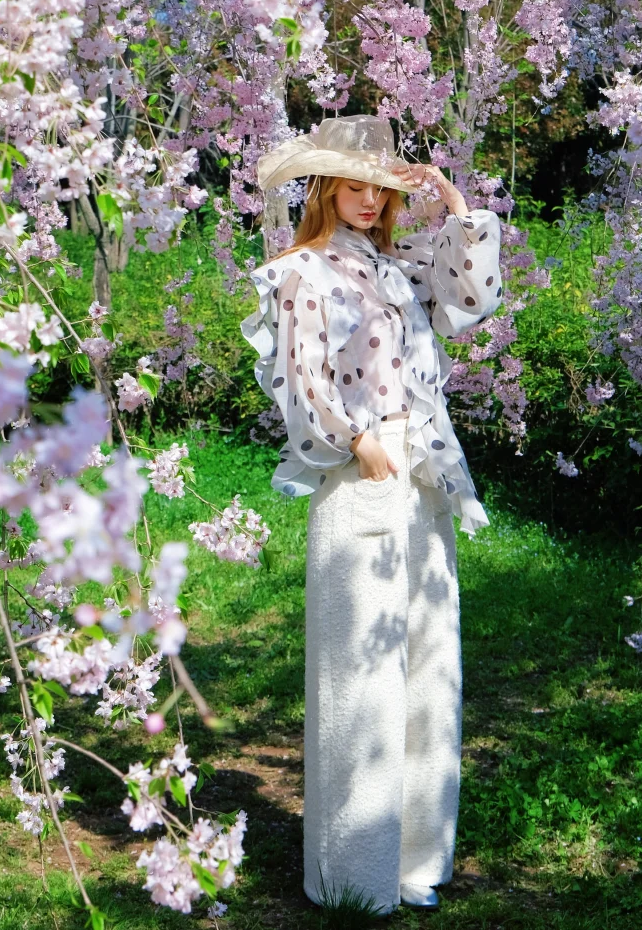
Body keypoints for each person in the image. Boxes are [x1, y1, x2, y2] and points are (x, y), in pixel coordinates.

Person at [241, 115, 502, 915]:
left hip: (425, 474)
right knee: (359, 674)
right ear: (324, 190)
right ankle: (354, 875)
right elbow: (301, 375)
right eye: (353, 187)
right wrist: (357, 439)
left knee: (428, 660)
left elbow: (470, 301)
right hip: (361, 473)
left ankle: (417, 861)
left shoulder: (397, 267)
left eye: (381, 190)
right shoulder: (301, 272)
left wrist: (456, 206)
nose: (368, 201)